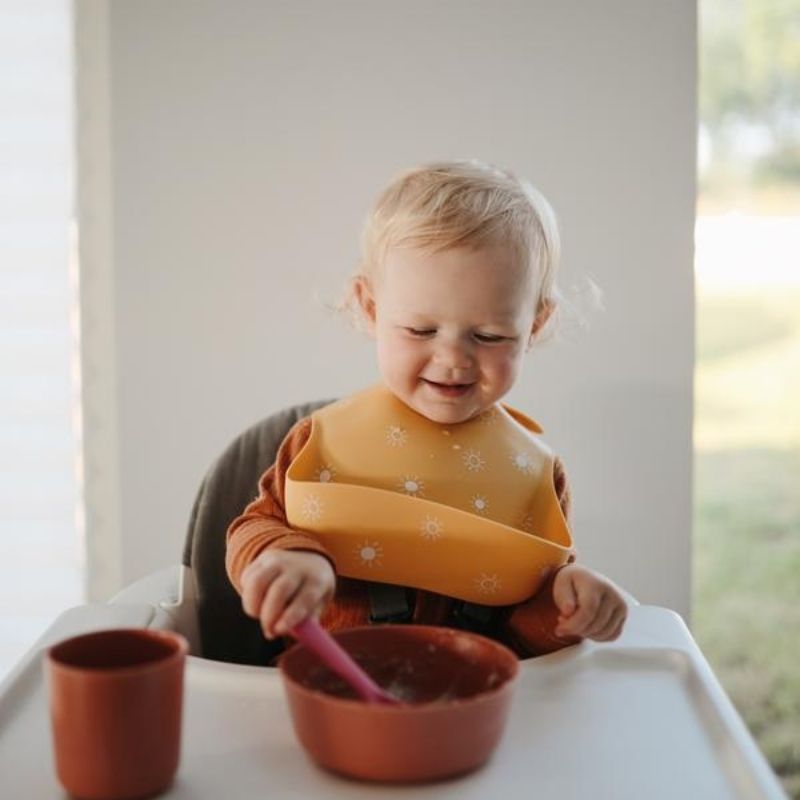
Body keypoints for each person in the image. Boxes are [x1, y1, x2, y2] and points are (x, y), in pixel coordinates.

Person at [225, 160, 627, 657]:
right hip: (332, 683)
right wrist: (286, 557)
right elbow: (252, 527)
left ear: (536, 326)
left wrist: (567, 607)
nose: (453, 358)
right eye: (421, 330)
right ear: (371, 309)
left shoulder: (534, 476)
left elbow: (527, 628)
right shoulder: (321, 443)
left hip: (471, 696)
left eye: (490, 336)